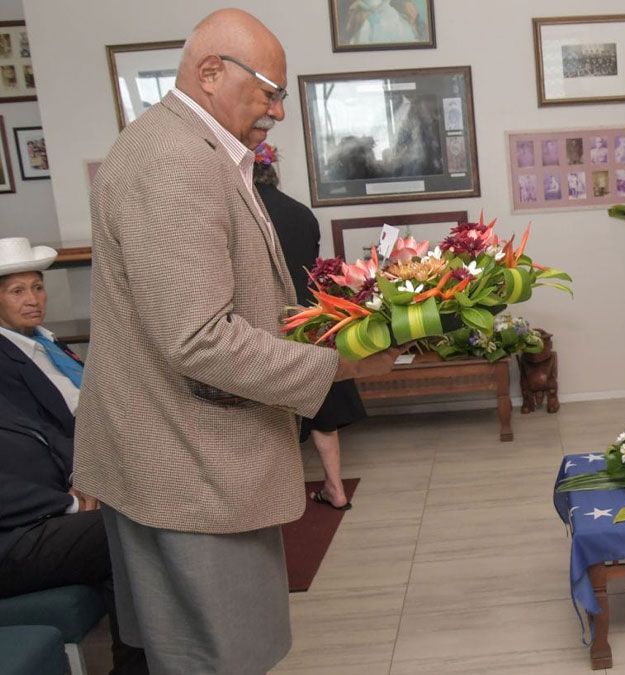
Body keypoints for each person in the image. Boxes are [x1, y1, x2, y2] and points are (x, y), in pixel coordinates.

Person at [75, 9, 400, 673]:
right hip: (193, 470)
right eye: (270, 92)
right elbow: (199, 341)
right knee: (219, 659)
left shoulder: (185, 147)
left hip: (172, 459)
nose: (279, 110)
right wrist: (340, 362)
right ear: (210, 73)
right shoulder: (177, 161)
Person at [0, 394, 148, 675]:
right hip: (10, 537)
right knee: (121, 530)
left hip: (41, 511)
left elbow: (45, 433)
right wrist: (70, 505)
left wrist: (80, 477)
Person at [254, 143, 364, 510]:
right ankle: (336, 488)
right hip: (310, 317)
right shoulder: (302, 214)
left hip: (263, 320)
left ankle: (268, 497)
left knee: (265, 411)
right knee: (322, 407)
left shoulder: (244, 216)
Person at [0, 237, 79, 437]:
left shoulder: (48, 341)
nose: (32, 300)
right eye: (17, 291)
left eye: (37, 288)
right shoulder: (4, 361)